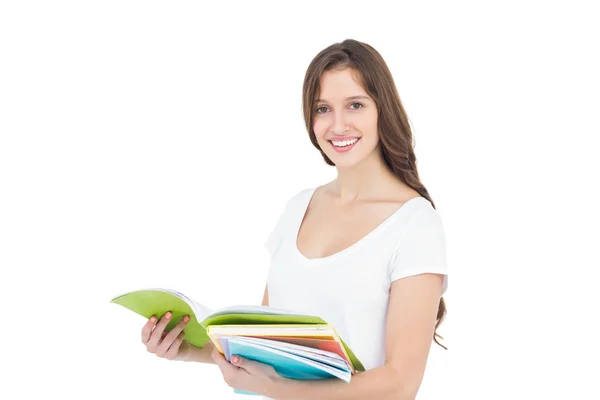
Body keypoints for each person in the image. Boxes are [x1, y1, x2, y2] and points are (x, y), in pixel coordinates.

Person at [140, 39, 449, 399]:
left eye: (355, 105)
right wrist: (188, 351)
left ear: (383, 109)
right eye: (322, 109)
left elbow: (400, 385)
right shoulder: (298, 209)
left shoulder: (415, 224)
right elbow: (271, 351)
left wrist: (282, 390)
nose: (338, 125)